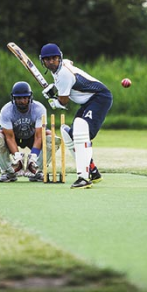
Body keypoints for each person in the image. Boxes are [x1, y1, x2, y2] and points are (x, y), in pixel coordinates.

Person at [39, 43, 113, 189]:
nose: (51, 62)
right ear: (43, 61)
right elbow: (69, 62)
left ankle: (84, 178)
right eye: (47, 59)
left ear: (59, 58)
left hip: (99, 98)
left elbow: (64, 102)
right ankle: (93, 172)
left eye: (54, 58)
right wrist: (54, 94)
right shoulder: (62, 64)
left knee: (80, 128)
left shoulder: (63, 74)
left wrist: (53, 101)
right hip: (87, 102)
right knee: (70, 134)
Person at [0, 81, 60, 183]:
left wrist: (33, 157)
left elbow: (39, 136)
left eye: (25, 98)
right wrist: (17, 157)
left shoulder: (39, 109)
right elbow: (9, 137)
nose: (22, 101)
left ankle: (37, 171)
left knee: (53, 139)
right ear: (13, 98)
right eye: (18, 98)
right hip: (13, 136)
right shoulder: (7, 110)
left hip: (32, 135)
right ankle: (9, 172)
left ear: (30, 97)